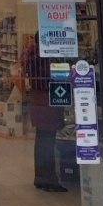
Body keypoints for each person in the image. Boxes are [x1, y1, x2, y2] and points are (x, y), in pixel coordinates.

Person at [21, 34, 68, 193]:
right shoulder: (47, 57)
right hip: (49, 99)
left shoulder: (29, 54)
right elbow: (55, 75)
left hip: (36, 99)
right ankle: (49, 180)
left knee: (42, 139)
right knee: (48, 141)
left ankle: (40, 177)